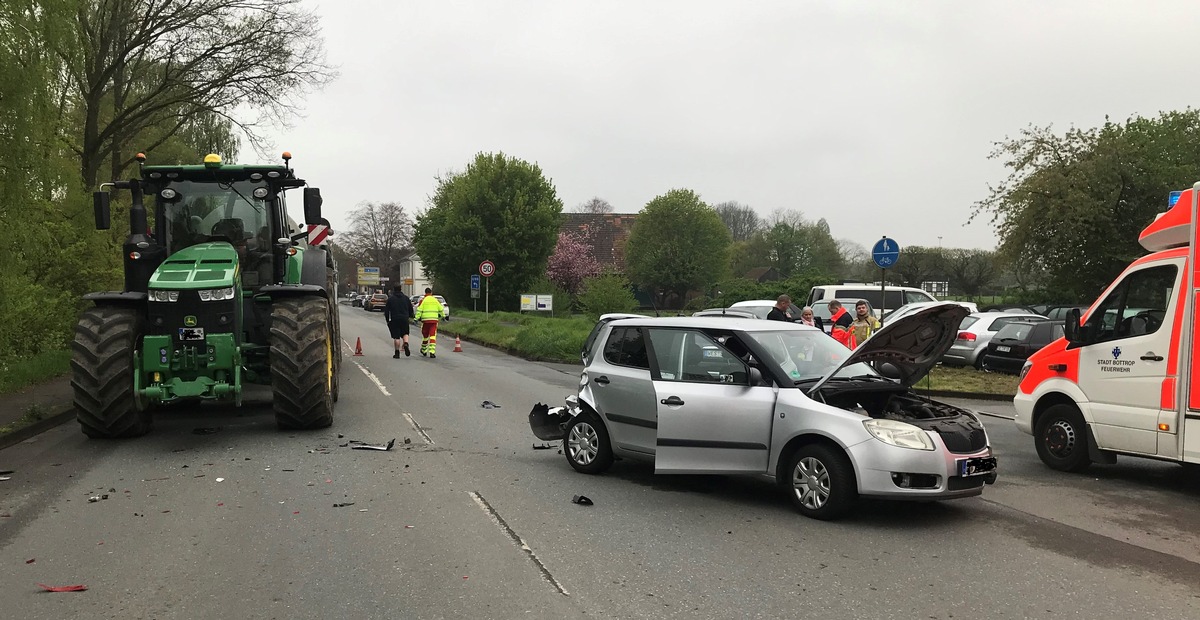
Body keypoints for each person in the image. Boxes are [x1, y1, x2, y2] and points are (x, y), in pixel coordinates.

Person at [384, 285, 415, 358]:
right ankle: (406, 343)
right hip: (404, 318)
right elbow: (410, 309)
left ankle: (397, 353)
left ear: (394, 290)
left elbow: (386, 311)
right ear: (401, 289)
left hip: (395, 319)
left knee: (396, 336)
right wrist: (410, 316)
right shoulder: (406, 298)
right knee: (405, 333)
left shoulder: (391, 299)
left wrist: (388, 320)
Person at [414, 287, 445, 358]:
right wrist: (443, 316)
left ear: (425, 293)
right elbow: (441, 309)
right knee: (432, 336)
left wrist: (416, 319)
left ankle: (424, 350)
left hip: (425, 321)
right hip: (434, 321)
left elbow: (419, 310)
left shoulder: (423, 300)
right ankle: (432, 352)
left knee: (425, 336)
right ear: (431, 293)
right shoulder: (435, 300)